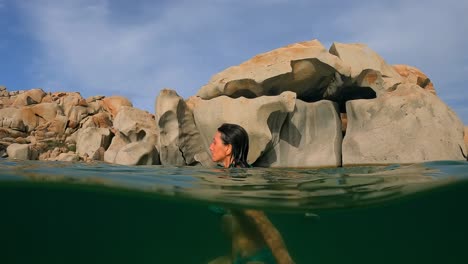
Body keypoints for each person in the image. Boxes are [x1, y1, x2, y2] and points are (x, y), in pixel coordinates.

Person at [209, 123, 294, 264]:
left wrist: (286, 261)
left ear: (228, 148)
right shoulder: (223, 175)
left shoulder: (241, 181)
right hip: (237, 257)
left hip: (256, 258)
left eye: (214, 142)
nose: (211, 147)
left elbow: (265, 226)